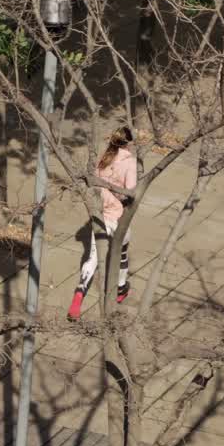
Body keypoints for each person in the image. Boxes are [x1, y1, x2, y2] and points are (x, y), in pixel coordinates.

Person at [68, 126, 137, 320]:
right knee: (122, 251)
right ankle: (121, 289)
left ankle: (77, 299)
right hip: (116, 216)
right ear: (129, 143)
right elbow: (130, 191)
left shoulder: (104, 157)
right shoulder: (129, 162)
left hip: (100, 214)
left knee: (91, 258)